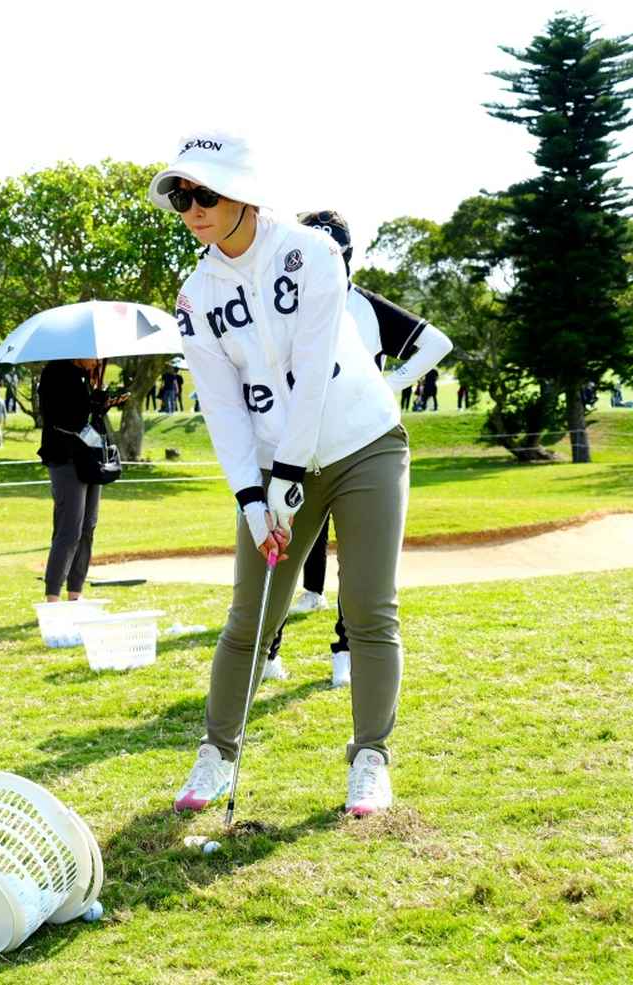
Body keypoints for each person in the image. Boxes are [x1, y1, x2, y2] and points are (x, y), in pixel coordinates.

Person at [151, 132, 408, 818]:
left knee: (368, 607)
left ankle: (370, 759)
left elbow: (315, 373)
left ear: (245, 191)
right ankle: (216, 751)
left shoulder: (313, 253)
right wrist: (252, 496)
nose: (193, 208)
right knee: (250, 616)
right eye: (182, 196)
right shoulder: (195, 294)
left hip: (363, 443)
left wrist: (287, 477)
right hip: (270, 463)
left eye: (206, 192)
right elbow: (223, 408)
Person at [270, 210, 453, 688]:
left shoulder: (364, 306)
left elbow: (435, 343)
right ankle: (269, 653)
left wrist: (390, 382)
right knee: (282, 552)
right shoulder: (281, 304)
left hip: (357, 446)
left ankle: (344, 653)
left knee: (357, 565)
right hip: (296, 449)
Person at [38, 359, 124, 601]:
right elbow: (62, 418)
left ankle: (76, 592)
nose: (96, 360)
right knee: (69, 529)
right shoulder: (55, 373)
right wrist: (91, 405)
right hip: (65, 458)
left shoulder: (85, 375)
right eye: (93, 356)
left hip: (89, 458)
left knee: (88, 526)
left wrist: (100, 406)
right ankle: (52, 596)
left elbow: (89, 426)